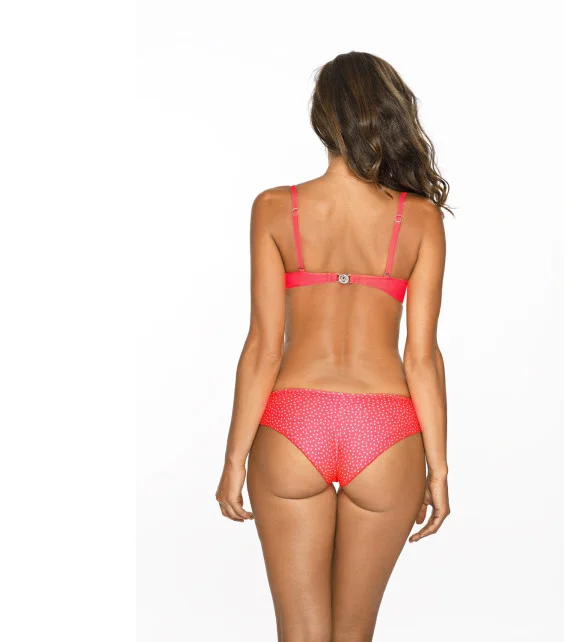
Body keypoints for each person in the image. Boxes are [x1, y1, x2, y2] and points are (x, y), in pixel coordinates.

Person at [216, 51, 451, 641]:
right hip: (387, 433)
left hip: (293, 424)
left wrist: (234, 459)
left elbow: (263, 347)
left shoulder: (275, 209)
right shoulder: (419, 219)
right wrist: (439, 470)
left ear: (322, 118)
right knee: (354, 634)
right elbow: (421, 357)